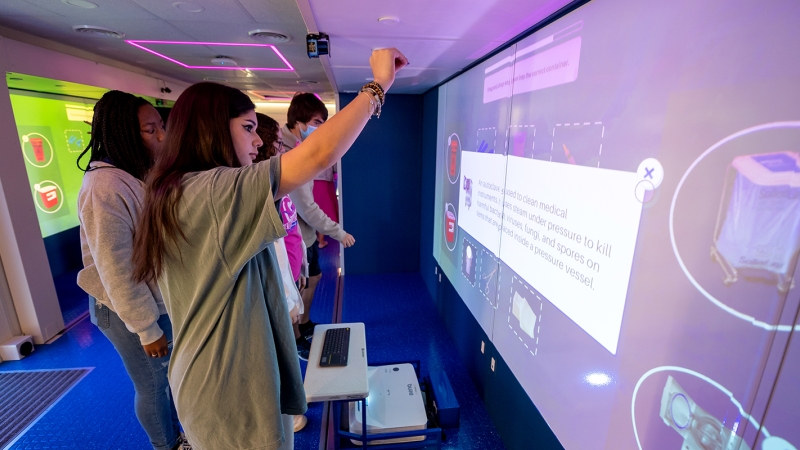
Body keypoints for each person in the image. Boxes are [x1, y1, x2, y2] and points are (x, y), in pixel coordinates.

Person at [131, 48, 408, 450]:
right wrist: (379, 85)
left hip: (215, 382)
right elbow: (316, 154)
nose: (258, 138)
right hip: (227, 391)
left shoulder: (178, 190)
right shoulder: (212, 191)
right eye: (247, 127)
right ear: (211, 131)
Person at [75, 90, 190, 450]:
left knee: (169, 378)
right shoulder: (104, 187)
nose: (161, 137)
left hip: (152, 301)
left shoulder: (136, 174)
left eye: (161, 128)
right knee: (153, 383)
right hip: (123, 308)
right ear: (123, 133)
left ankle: (179, 436)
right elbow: (115, 267)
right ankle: (166, 445)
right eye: (149, 130)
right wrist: (145, 328)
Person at [282, 93, 354, 346]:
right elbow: (306, 207)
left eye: (323, 121)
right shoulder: (289, 155)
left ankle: (304, 323)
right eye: (315, 121)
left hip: (304, 236)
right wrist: (338, 233)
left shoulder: (299, 148)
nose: (319, 127)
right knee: (297, 287)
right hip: (293, 239)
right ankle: (296, 338)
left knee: (313, 279)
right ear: (298, 122)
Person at [255, 112, 309, 433]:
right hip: (278, 285)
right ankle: (285, 414)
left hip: (289, 272)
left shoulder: (278, 180)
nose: (278, 146)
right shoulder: (259, 187)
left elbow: (291, 232)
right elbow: (271, 252)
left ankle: (289, 408)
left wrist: (299, 265)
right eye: (274, 141)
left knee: (285, 345)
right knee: (278, 352)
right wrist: (287, 296)